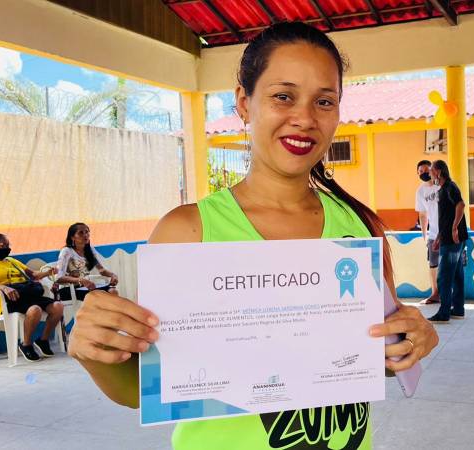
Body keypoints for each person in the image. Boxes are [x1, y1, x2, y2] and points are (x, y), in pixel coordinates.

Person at [67, 22, 438, 449]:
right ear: (244, 103)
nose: (305, 118)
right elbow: (141, 390)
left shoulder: (356, 226)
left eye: (324, 101)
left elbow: (374, 356)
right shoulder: (189, 231)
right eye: (284, 96)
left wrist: (411, 340)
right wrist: (92, 351)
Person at [0, 234, 64, 362]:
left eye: (8, 245)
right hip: (9, 300)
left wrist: (48, 272)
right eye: (3, 245)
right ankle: (26, 344)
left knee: (58, 307)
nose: (7, 248)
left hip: (27, 294)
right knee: (35, 310)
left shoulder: (11, 261)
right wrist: (4, 288)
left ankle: (43, 340)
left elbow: (33, 275)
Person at [428, 160, 468, 323]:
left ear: (438, 171)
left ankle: (444, 313)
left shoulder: (450, 187)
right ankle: (457, 309)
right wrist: (439, 237)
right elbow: (446, 216)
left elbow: (461, 205)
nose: (429, 174)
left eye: (431, 170)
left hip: (453, 240)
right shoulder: (442, 190)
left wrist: (454, 228)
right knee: (457, 275)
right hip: (448, 238)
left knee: (444, 276)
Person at [55, 223, 119, 300]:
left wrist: (113, 275)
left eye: (87, 232)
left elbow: (102, 270)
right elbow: (59, 277)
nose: (85, 235)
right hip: (68, 289)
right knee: (97, 296)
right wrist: (81, 280)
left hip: (85, 287)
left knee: (113, 292)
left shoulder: (89, 249)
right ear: (72, 237)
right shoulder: (66, 251)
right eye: (81, 233)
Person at [415, 159, 441, 305]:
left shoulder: (441, 185)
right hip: (433, 234)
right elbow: (423, 215)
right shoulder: (420, 191)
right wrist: (424, 235)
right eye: (421, 171)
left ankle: (450, 295)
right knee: (433, 265)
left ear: (433, 170)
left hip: (448, 233)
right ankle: (435, 293)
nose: (424, 173)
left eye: (426, 170)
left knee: (451, 266)